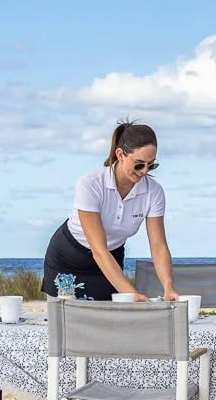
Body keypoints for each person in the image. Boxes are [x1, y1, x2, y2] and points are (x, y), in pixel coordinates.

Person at [41, 120, 178, 302]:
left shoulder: (154, 192)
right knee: (65, 322)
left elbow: (158, 245)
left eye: (151, 165)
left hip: (110, 260)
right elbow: (99, 250)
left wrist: (168, 287)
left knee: (110, 323)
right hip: (68, 259)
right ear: (120, 154)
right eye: (139, 164)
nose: (145, 171)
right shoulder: (90, 184)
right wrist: (132, 294)